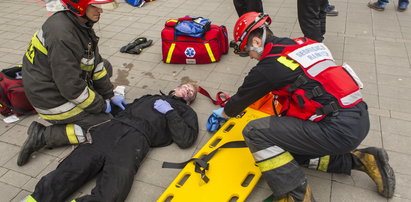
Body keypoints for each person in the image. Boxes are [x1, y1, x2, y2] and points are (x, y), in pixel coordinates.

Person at [215, 12, 396, 201]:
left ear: (256, 42)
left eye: (246, 52)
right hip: (358, 117)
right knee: (285, 151)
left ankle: (296, 195)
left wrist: (224, 113)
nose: (249, 57)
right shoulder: (302, 44)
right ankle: (362, 160)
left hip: (337, 130)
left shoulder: (268, 68)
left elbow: (238, 102)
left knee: (254, 132)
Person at [21, 83, 199, 202]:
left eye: (190, 92)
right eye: (184, 86)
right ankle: (36, 199)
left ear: (190, 100)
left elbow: (186, 140)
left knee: (115, 188)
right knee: (74, 167)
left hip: (136, 139)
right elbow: (125, 109)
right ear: (175, 87)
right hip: (111, 129)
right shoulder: (150, 97)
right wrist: (112, 101)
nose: (186, 90)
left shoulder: (185, 112)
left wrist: (170, 112)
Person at [18, 0, 126, 166]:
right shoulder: (62, 34)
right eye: (95, 6)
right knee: (105, 126)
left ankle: (90, 108)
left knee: (106, 66)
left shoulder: (78, 22)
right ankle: (43, 136)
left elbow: (95, 64)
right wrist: (101, 106)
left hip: (57, 83)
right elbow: (72, 89)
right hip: (50, 99)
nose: (100, 11)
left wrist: (109, 95)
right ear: (79, 5)